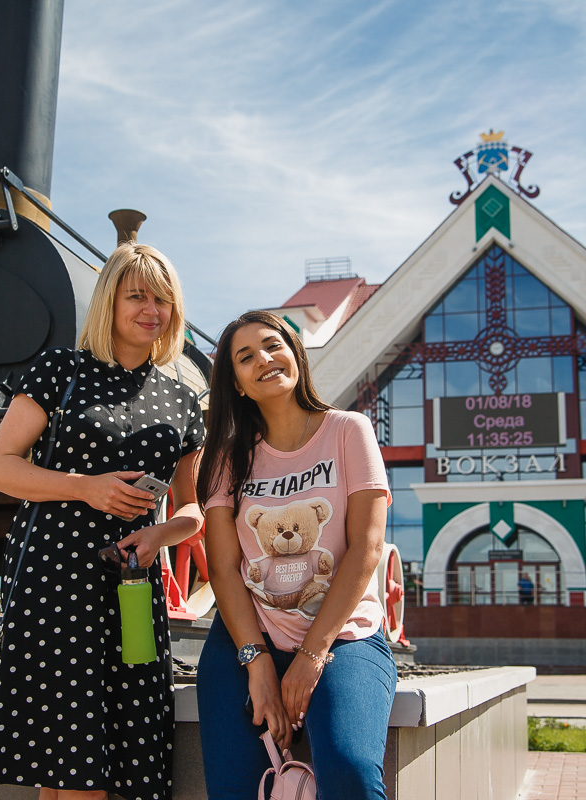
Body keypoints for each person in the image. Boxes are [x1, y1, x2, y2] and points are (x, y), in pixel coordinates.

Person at [0, 242, 205, 800]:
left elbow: (193, 510)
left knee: (98, 762)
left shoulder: (182, 399)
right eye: (138, 296)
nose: (153, 310)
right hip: (53, 583)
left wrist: (161, 532)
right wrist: (86, 488)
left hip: (131, 586)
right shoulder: (60, 370)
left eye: (164, 299)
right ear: (109, 301)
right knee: (67, 764)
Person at [195, 310, 397, 800]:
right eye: (246, 357)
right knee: (232, 788)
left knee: (349, 771)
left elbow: (366, 549)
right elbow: (223, 569)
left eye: (273, 345)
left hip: (344, 634)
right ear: (237, 384)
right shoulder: (226, 457)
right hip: (248, 634)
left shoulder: (349, 430)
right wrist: (258, 664)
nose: (264, 359)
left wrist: (311, 657)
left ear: (295, 354)